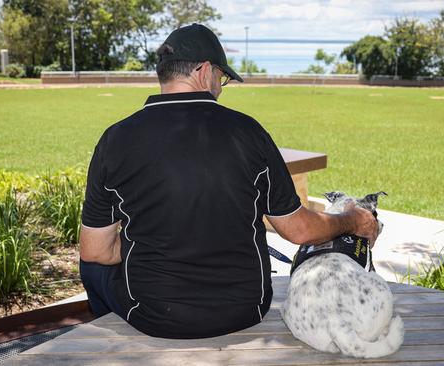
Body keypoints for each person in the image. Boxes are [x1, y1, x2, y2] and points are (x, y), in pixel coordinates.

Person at [79, 23, 379, 339]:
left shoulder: (116, 139)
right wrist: (353, 219)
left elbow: (96, 251)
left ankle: (108, 328)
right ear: (205, 70)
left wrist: (154, 244)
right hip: (246, 309)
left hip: (156, 316)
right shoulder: (248, 132)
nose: (220, 88)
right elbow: (300, 230)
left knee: (92, 267)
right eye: (221, 78)